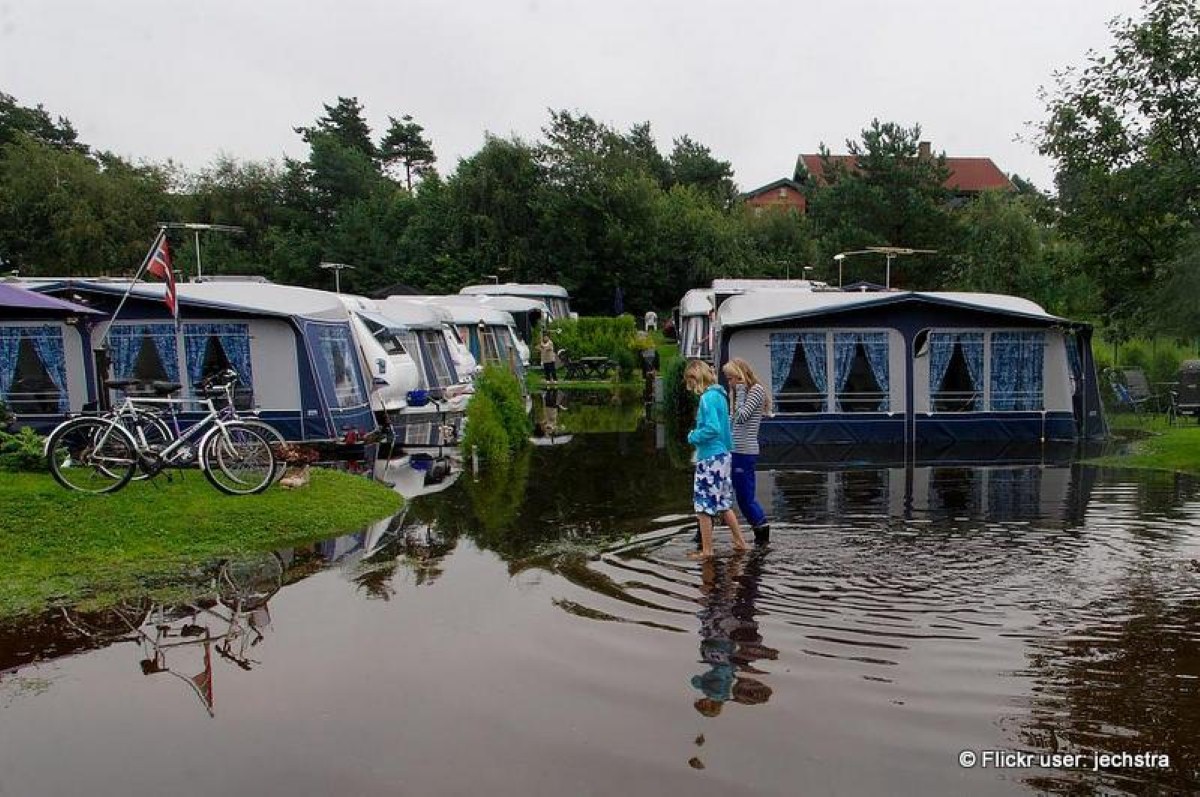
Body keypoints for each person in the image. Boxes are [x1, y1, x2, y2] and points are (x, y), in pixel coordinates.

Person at [684, 359, 748, 558]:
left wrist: (693, 436)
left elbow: (713, 428)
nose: (691, 387)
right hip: (722, 456)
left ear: (697, 377)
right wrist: (727, 451)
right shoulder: (720, 395)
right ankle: (740, 542)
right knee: (722, 503)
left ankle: (707, 551)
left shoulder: (707, 398)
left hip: (710, 457)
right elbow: (726, 430)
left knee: (703, 507)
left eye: (691, 382)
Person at [722, 357, 771, 544]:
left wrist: (741, 391)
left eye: (731, 378)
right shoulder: (736, 392)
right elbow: (732, 420)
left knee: (745, 497)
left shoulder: (755, 391)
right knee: (726, 493)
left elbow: (741, 417)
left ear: (740, 376)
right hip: (734, 450)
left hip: (745, 451)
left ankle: (762, 532)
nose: (730, 383)